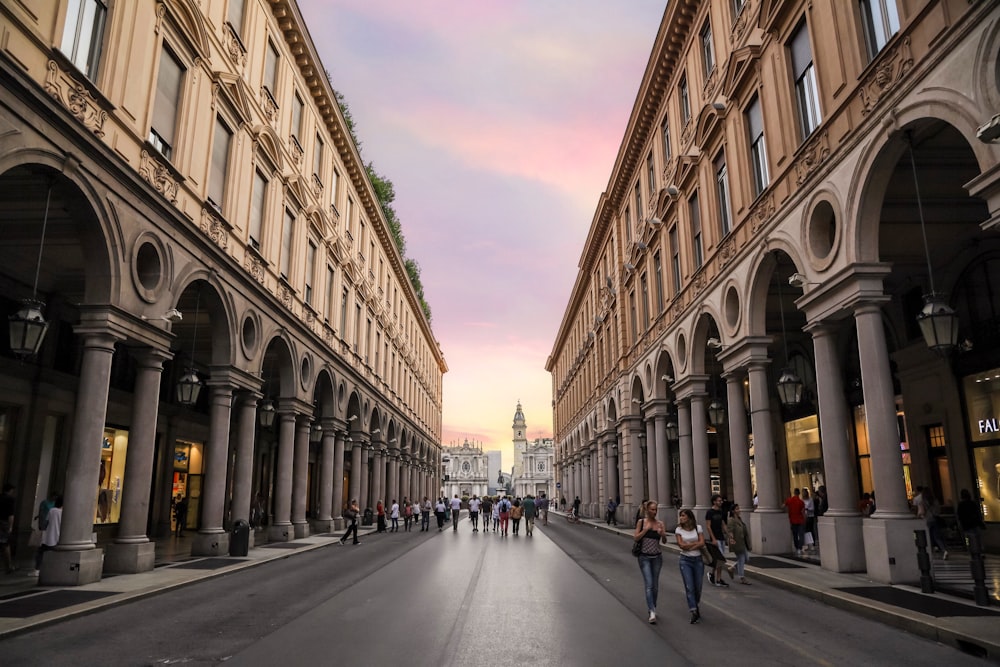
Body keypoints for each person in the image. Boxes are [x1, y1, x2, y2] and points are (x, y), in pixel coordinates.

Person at [633, 500, 669, 624]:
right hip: (644, 557)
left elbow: (664, 541)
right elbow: (636, 537)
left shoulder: (660, 524)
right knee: (649, 584)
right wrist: (645, 530)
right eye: (652, 509)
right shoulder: (641, 522)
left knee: (655, 586)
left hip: (657, 557)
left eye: (656, 509)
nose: (654, 512)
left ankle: (653, 606)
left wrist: (662, 534)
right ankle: (652, 610)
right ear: (647, 510)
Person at [675, 508, 706, 624]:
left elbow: (702, 542)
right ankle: (693, 610)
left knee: (698, 587)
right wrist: (695, 544)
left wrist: (690, 546)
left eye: (683, 515)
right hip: (685, 560)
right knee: (689, 587)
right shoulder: (678, 530)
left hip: (698, 560)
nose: (681, 518)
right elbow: (681, 545)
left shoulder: (698, 528)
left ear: (689, 517)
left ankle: (695, 604)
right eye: (680, 516)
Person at [29, 495, 62, 578]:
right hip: (59, 537)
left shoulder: (52, 510)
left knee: (40, 553)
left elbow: (46, 523)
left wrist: (42, 529)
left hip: (49, 536)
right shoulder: (64, 512)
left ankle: (37, 569)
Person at [705, 494, 730, 587]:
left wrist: (729, 535)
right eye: (719, 501)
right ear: (714, 502)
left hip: (721, 537)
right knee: (720, 559)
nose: (721, 502)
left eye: (721, 500)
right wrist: (713, 538)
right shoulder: (710, 512)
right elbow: (708, 526)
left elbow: (723, 524)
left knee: (720, 559)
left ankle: (712, 574)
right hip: (715, 538)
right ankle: (718, 579)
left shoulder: (721, 511)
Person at [918, 488, 948, 559]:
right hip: (935, 519)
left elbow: (921, 512)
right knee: (937, 537)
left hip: (927, 520)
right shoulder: (935, 501)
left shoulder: (923, 502)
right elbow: (938, 510)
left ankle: (930, 552)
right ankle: (944, 550)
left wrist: (918, 516)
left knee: (928, 537)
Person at [728, 504, 752, 585]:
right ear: (733, 511)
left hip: (742, 542)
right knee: (741, 559)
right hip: (737, 542)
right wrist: (731, 539)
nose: (739, 510)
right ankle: (742, 577)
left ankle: (732, 568)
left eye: (739, 509)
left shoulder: (739, 519)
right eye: (737, 509)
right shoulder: (731, 520)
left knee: (746, 558)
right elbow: (730, 531)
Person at [783, 488, 806, 555]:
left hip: (793, 520)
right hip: (800, 519)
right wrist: (805, 519)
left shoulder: (789, 500)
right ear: (799, 493)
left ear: (794, 493)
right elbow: (803, 512)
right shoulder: (801, 502)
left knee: (795, 535)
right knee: (801, 535)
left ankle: (797, 548)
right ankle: (800, 547)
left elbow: (783, 506)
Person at [1, 484, 17, 573]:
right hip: (4, 522)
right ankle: (8, 566)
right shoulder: (10, 499)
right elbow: (11, 514)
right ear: (10, 490)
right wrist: (10, 526)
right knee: (5, 544)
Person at [802, 488, 816, 552]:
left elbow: (812, 508)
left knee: (810, 530)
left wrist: (807, 509)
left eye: (804, 492)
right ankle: (808, 544)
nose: (803, 493)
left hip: (810, 516)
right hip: (805, 516)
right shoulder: (802, 500)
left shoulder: (810, 500)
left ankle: (813, 544)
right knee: (806, 531)